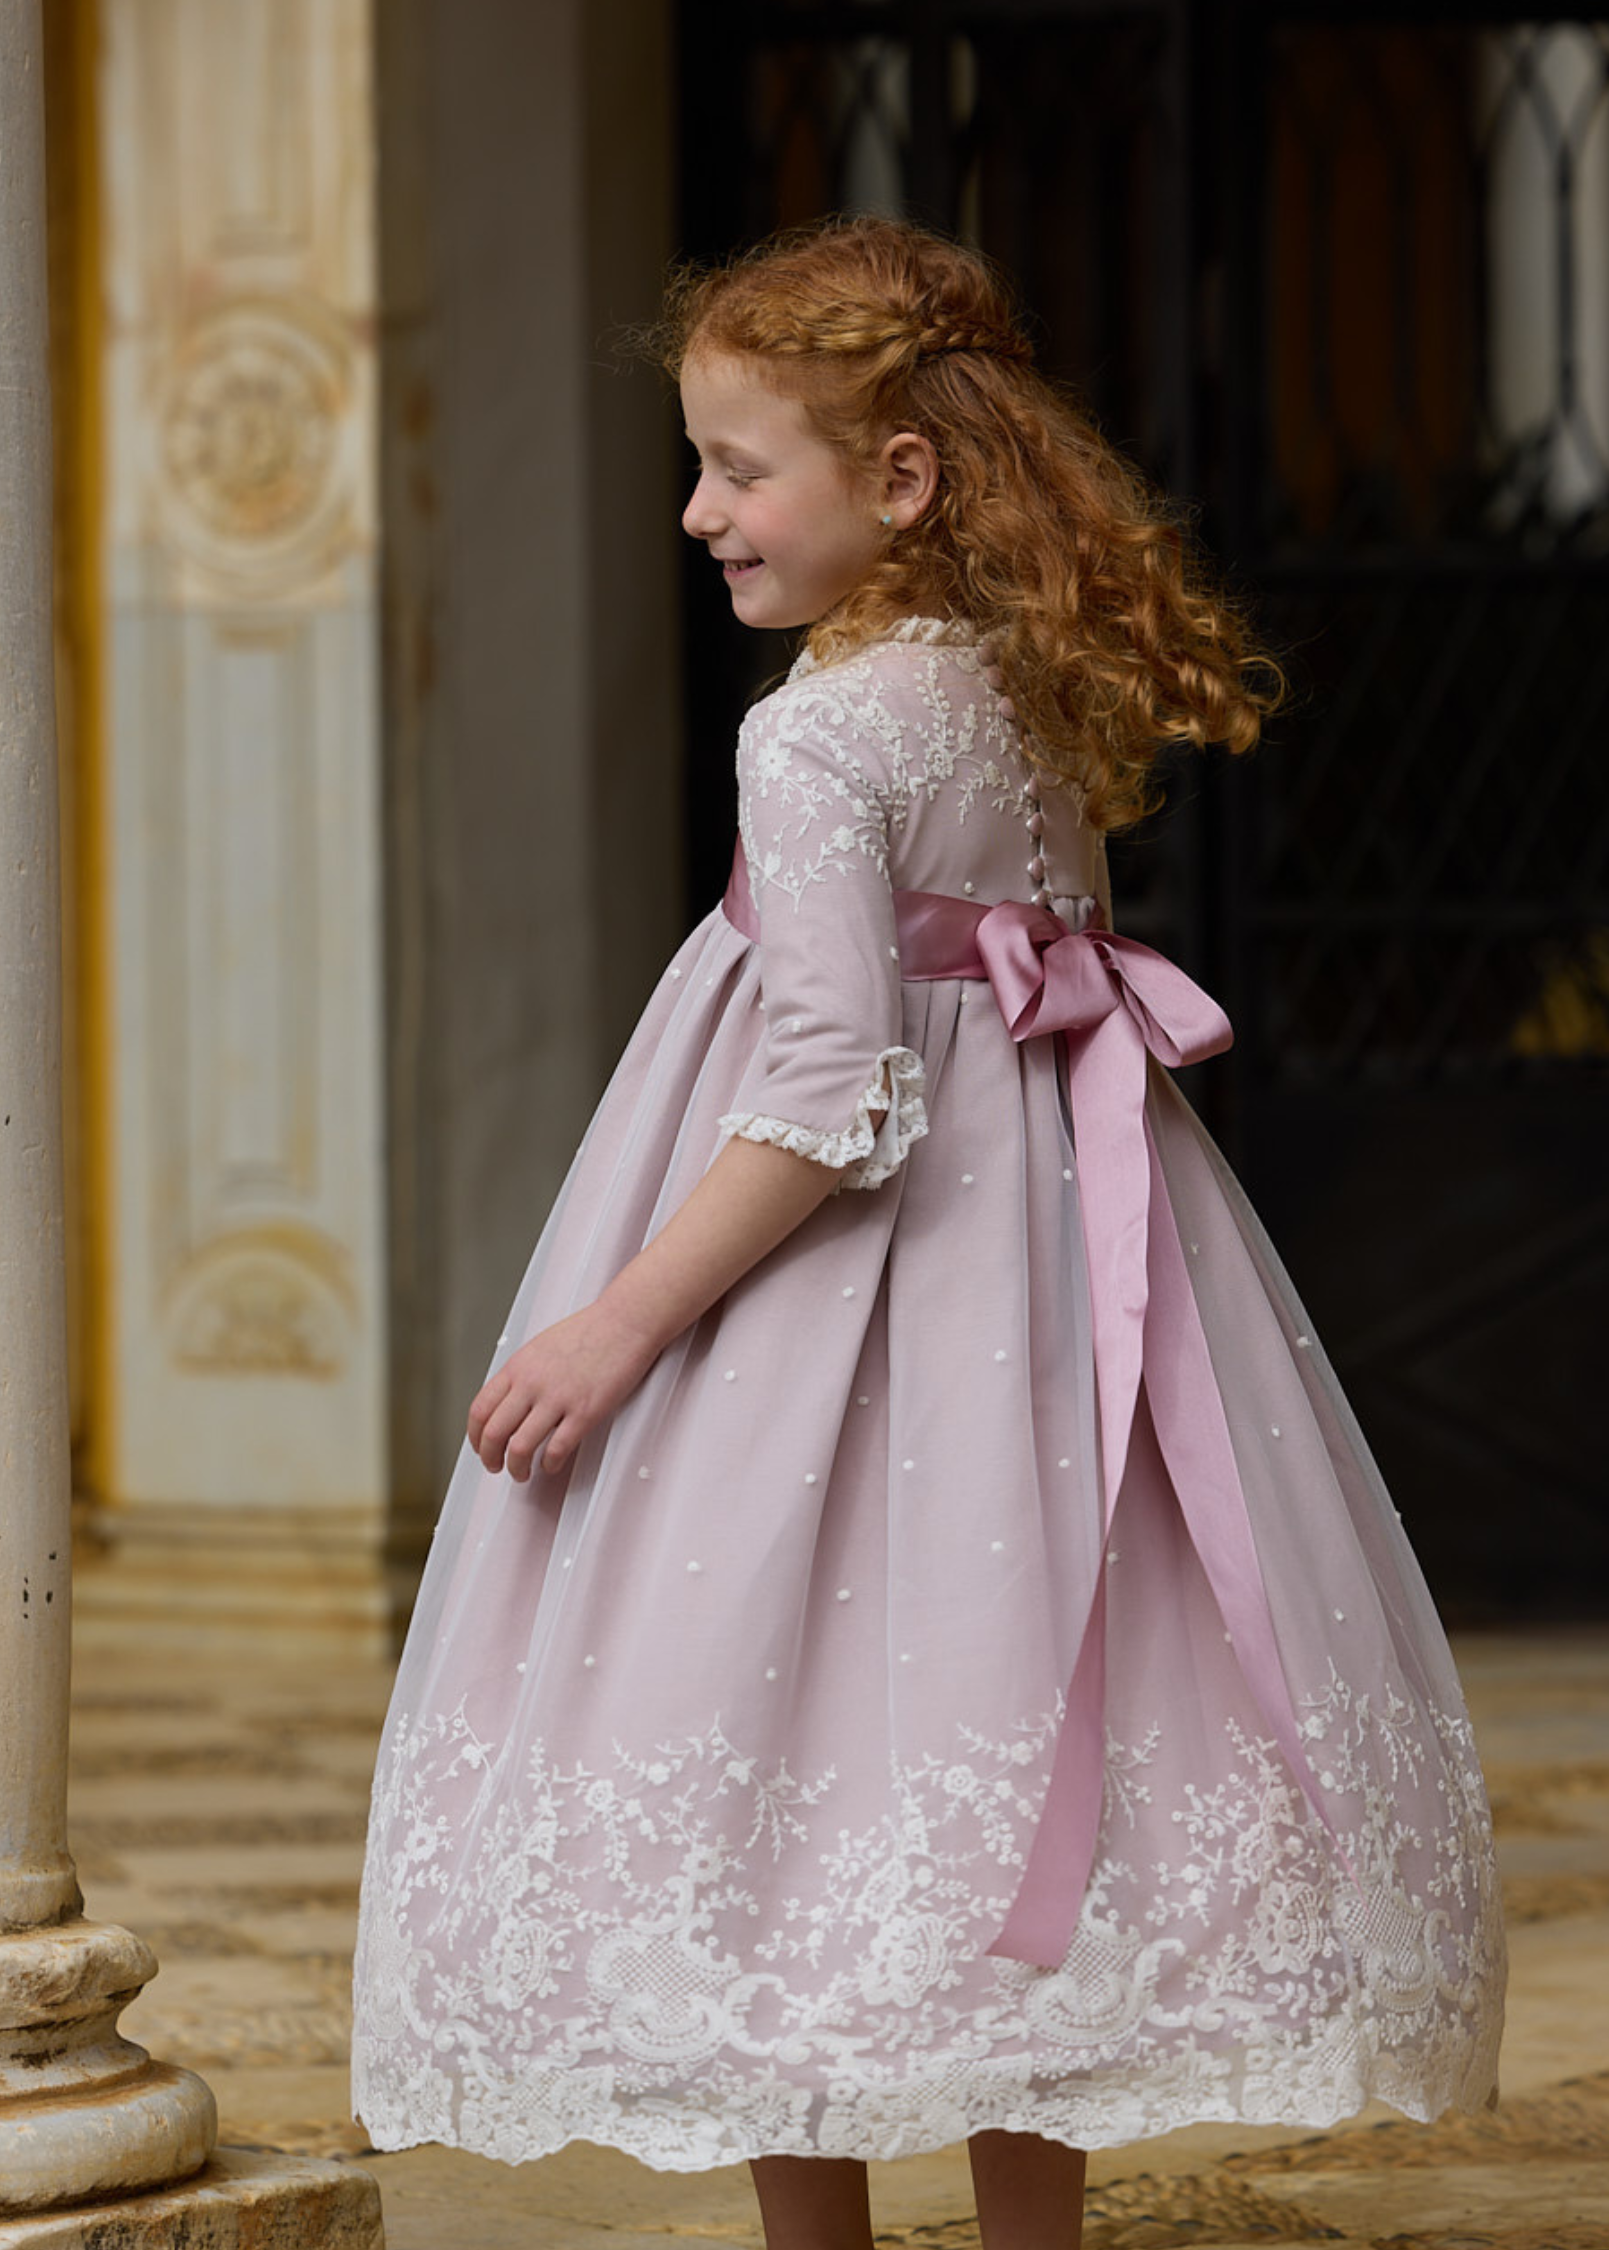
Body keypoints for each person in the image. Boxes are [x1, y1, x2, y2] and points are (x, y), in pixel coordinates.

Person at [352, 216, 1504, 2250]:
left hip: (827, 1307)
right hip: (1040, 1279)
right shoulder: (1010, 683)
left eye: (737, 466)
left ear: (898, 480)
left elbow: (824, 1098)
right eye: (697, 462)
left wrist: (620, 1321)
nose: (699, 511)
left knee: (785, 1738)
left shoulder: (811, 736)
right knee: (1006, 1697)